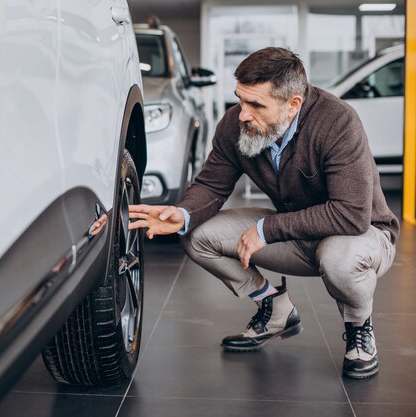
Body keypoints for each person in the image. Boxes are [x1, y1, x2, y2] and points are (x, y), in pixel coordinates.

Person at [129, 47, 399, 379]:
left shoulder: (337, 121)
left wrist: (266, 230)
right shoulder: (235, 124)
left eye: (256, 105)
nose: (243, 113)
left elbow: (351, 214)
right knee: (197, 236)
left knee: (338, 260)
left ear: (293, 104)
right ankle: (275, 310)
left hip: (361, 238)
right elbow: (212, 186)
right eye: (241, 100)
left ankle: (360, 327)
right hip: (297, 235)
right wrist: (181, 214)